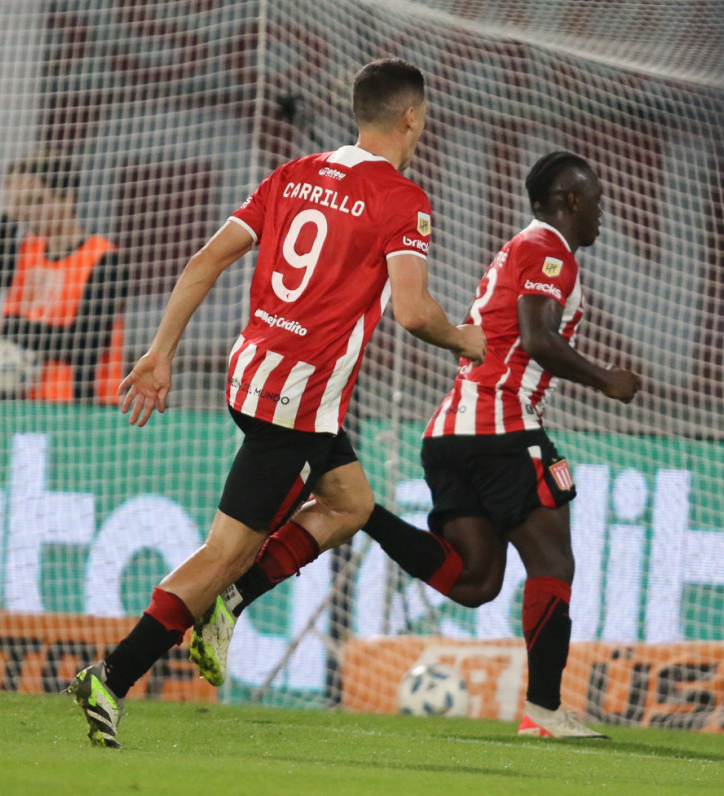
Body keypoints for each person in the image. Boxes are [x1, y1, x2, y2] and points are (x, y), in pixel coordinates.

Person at [66, 58, 487, 749]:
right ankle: (112, 675)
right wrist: (462, 338)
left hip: (256, 376)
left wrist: (160, 351)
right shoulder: (401, 199)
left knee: (351, 504)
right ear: (411, 115)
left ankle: (229, 607)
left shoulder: (292, 174)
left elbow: (205, 260)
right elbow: (412, 312)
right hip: (296, 405)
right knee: (227, 551)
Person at [191, 151, 641, 739]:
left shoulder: (524, 248)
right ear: (573, 202)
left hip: (451, 433)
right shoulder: (548, 250)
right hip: (501, 429)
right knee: (554, 562)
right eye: (599, 202)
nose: (603, 215)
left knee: (477, 583)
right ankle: (546, 711)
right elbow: (537, 337)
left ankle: (336, 527)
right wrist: (607, 378)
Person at [0, 149, 128, 404]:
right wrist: (8, 220)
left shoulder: (103, 259)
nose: (26, 213)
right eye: (18, 204)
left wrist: (4, 326)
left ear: (67, 199)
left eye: (36, 201)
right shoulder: (26, 249)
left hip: (74, 406)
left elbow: (85, 342)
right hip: (15, 402)